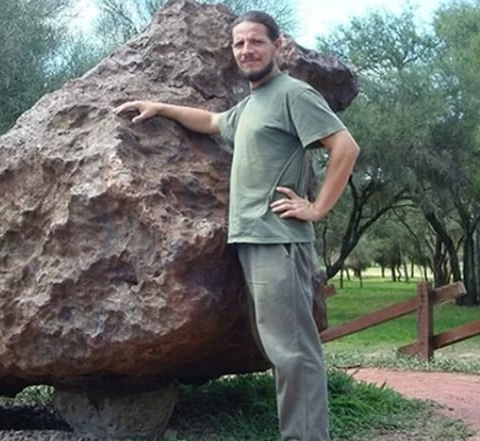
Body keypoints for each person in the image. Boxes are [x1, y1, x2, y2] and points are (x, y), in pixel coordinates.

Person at [114, 10, 360, 441]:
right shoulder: (251, 105)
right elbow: (212, 122)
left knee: (293, 354)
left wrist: (318, 208)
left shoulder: (293, 94)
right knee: (279, 349)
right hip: (250, 240)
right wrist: (160, 108)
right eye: (239, 44)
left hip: (278, 242)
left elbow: (344, 147)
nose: (247, 50)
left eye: (256, 42)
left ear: (277, 45)